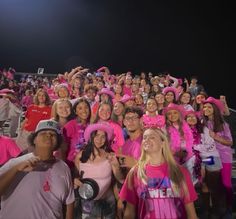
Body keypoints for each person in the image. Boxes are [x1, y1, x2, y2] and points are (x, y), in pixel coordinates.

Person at [0, 119, 75, 219]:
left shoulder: (64, 167)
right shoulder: (15, 164)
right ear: (34, 139)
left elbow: (69, 202)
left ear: (58, 142)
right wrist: (16, 169)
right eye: (43, 133)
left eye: (53, 134)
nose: (49, 135)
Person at [119, 128, 198, 219]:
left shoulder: (180, 172)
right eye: (144, 138)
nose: (146, 140)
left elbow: (191, 212)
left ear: (162, 143)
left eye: (152, 137)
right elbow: (129, 212)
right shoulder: (135, 172)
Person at [73, 122, 123, 218]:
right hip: (87, 203)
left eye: (103, 137)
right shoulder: (81, 156)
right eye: (96, 135)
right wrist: (75, 181)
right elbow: (76, 178)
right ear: (91, 137)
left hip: (107, 202)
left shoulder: (110, 155)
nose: (99, 140)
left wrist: (116, 166)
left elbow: (120, 179)